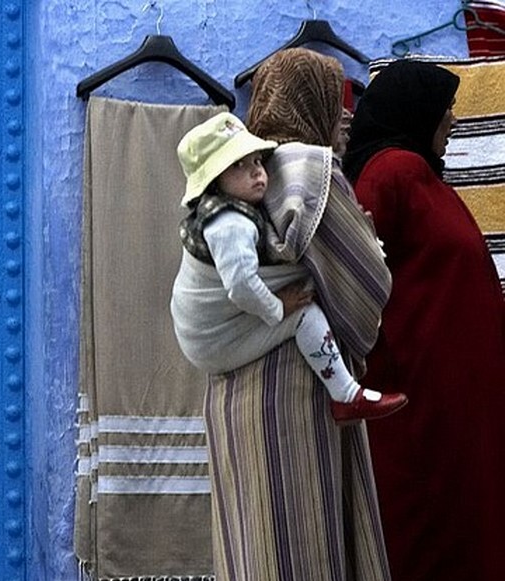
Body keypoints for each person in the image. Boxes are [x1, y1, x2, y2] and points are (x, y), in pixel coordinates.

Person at [171, 47, 413, 581]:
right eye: (335, 105)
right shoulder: (314, 172)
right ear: (313, 106)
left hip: (229, 401)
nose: (343, 122)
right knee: (304, 571)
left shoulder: (229, 179)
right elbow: (367, 299)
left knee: (255, 573)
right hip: (297, 401)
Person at [343, 60, 505, 581]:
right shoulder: (393, 174)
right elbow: (355, 276)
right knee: (437, 543)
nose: (455, 120)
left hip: (454, 407)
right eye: (445, 108)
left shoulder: (418, 174)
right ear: (416, 112)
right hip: (424, 411)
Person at [173, 111, 407, 424]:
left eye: (256, 161)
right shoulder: (230, 224)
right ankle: (347, 395)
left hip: (202, 332)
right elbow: (241, 284)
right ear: (214, 182)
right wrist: (277, 307)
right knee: (304, 314)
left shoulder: (234, 210)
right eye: (238, 166)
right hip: (214, 339)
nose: (256, 173)